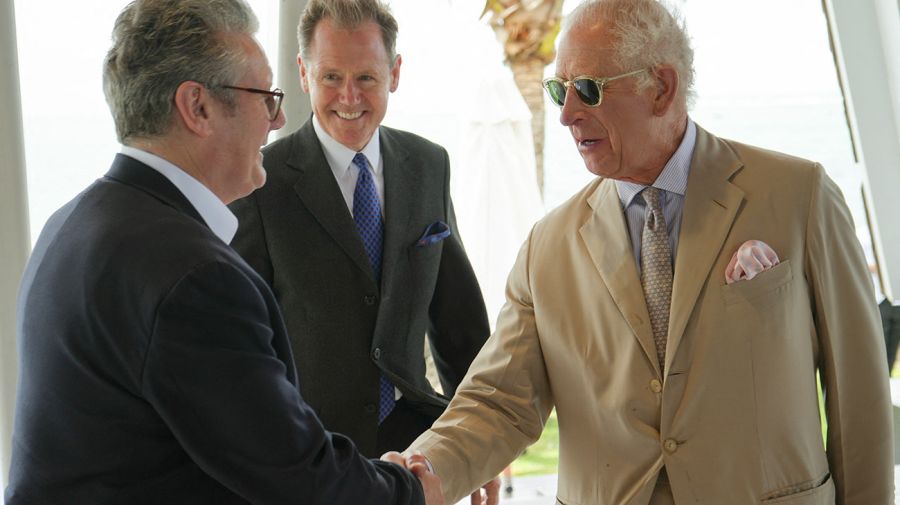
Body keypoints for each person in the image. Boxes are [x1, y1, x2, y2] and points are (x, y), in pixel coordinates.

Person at [402, 0, 893, 504]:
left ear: (662, 87)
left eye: (587, 90)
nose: (568, 113)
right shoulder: (545, 249)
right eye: (558, 90)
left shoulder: (799, 197)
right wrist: (418, 469)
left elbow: (859, 397)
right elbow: (498, 403)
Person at [3, 0, 443, 503]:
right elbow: (295, 478)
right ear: (197, 107)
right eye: (265, 97)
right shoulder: (193, 276)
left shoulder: (72, 222)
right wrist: (410, 491)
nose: (277, 121)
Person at [229, 0, 490, 459]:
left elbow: (458, 325)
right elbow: (238, 343)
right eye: (331, 77)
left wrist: (481, 444)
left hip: (414, 448)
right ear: (305, 74)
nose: (349, 97)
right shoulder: (259, 180)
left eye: (366, 77)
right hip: (306, 455)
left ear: (395, 73)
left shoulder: (430, 164)